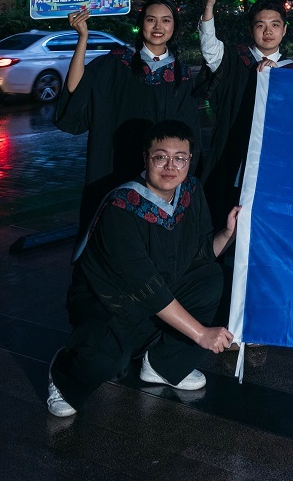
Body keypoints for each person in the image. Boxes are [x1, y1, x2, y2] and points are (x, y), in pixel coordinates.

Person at [47, 120, 238, 417]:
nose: (170, 167)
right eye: (161, 157)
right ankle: (64, 374)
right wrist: (201, 334)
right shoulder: (122, 207)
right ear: (146, 158)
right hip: (109, 303)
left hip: (157, 296)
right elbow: (145, 285)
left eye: (180, 158)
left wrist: (228, 234)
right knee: (106, 362)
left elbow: (200, 256)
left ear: (190, 159)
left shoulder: (190, 191)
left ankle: (162, 365)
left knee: (214, 280)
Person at [55, 0, 202, 236]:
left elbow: (189, 132)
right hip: (114, 164)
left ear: (174, 27)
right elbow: (76, 89)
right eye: (151, 19)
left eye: (166, 20)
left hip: (159, 170)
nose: (158, 26)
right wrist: (83, 38)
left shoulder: (180, 75)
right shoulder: (117, 63)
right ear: (141, 24)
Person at [199, 0, 293, 223]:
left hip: (275, 161)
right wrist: (209, 6)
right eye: (260, 25)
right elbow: (210, 49)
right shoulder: (235, 60)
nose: (268, 31)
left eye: (275, 25)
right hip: (235, 152)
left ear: (285, 30)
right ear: (251, 30)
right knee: (228, 212)